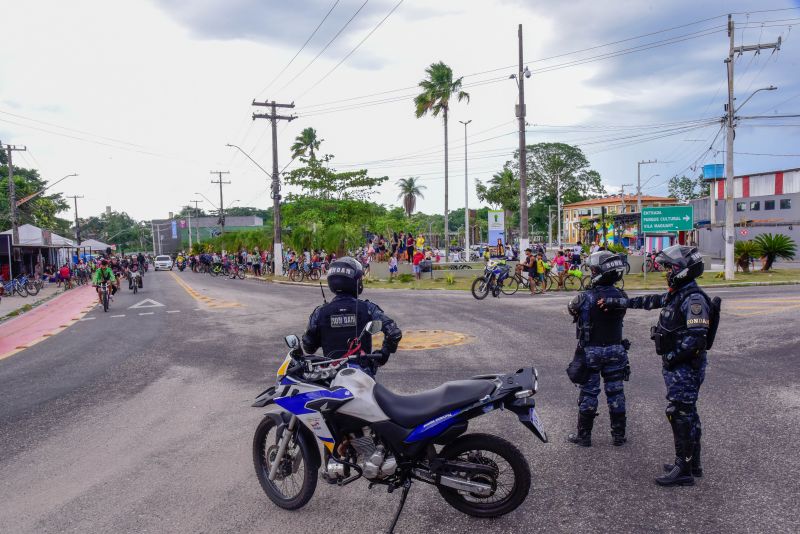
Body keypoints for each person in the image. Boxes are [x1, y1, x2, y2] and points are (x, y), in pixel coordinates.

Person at [598, 245, 718, 487]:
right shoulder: (680, 292)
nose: (666, 273)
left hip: (685, 367)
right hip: (680, 366)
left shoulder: (693, 298)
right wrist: (617, 302)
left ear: (682, 270)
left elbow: (697, 338)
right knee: (688, 412)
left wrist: (672, 358)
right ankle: (692, 463)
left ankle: (683, 468)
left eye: (670, 268)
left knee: (679, 413)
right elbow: (651, 301)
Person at [566, 252, 630, 447]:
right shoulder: (621, 296)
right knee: (616, 392)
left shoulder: (583, 298)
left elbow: (571, 309)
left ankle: (584, 436)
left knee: (589, 393)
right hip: (616, 350)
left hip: (592, 351)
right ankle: (618, 435)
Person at [302, 257, 402, 376]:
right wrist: (382, 355)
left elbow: (308, 347)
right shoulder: (368, 308)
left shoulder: (320, 312)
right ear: (355, 281)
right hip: (362, 376)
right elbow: (394, 332)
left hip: (331, 377)